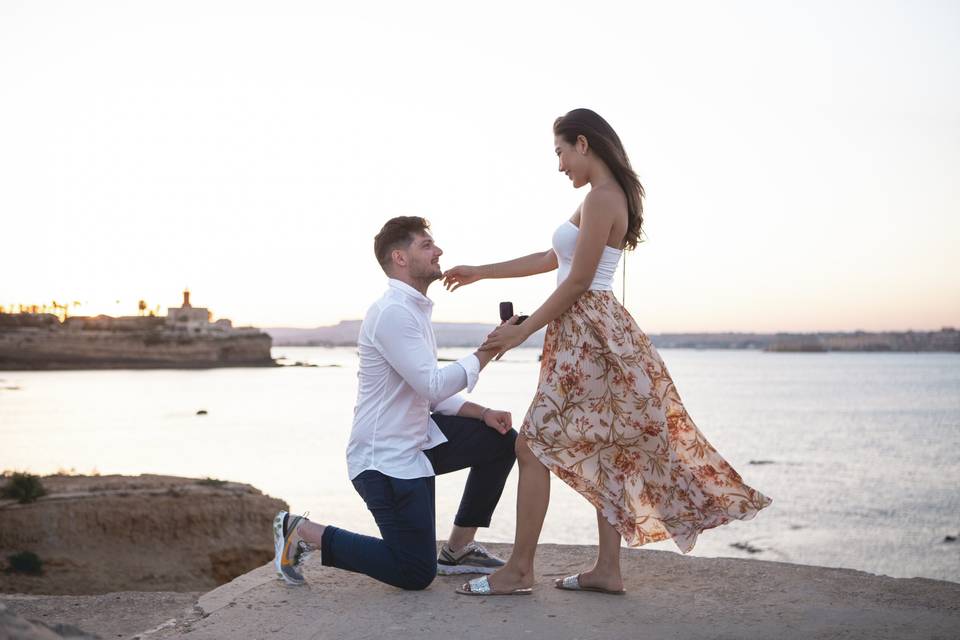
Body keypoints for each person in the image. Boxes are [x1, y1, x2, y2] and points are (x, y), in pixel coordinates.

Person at [443, 108, 772, 596]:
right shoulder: (598, 198)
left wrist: (522, 331)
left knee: (529, 446)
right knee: (606, 446)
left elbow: (578, 281)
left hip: (587, 330)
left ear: (582, 142)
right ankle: (607, 570)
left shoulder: (603, 198)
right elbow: (552, 259)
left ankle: (518, 570)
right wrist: (480, 271)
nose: (559, 167)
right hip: (590, 331)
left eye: (560, 153)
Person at [274, 216, 518, 591]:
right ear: (399, 258)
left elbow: (426, 391)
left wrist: (483, 413)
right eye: (427, 245)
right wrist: (490, 349)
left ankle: (458, 549)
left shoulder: (413, 309)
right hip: (383, 461)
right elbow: (432, 384)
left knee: (502, 439)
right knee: (415, 573)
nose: (439, 251)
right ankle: (302, 531)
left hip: (416, 444)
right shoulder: (392, 313)